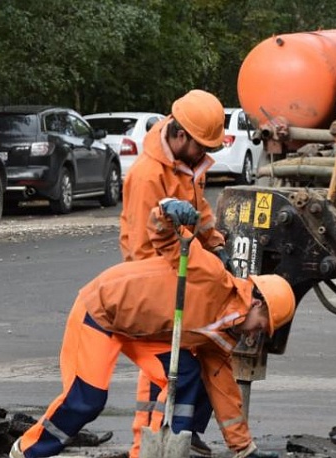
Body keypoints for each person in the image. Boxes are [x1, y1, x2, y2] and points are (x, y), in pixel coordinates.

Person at [9, 201, 296, 458]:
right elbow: (166, 237)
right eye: (262, 326)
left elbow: (225, 393)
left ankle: (153, 452)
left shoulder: (220, 339)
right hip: (102, 310)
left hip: (141, 331)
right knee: (87, 400)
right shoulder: (212, 276)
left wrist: (244, 448)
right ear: (257, 303)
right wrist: (166, 211)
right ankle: (27, 451)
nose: (255, 334)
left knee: (186, 373)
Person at [120, 89, 230, 457]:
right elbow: (141, 248)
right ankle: (155, 438)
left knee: (209, 355)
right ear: (180, 134)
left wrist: (216, 245)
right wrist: (166, 291)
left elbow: (200, 213)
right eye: (203, 146)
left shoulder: (187, 163)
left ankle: (185, 433)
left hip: (185, 272)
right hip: (155, 283)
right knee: (170, 368)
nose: (206, 153)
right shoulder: (148, 176)